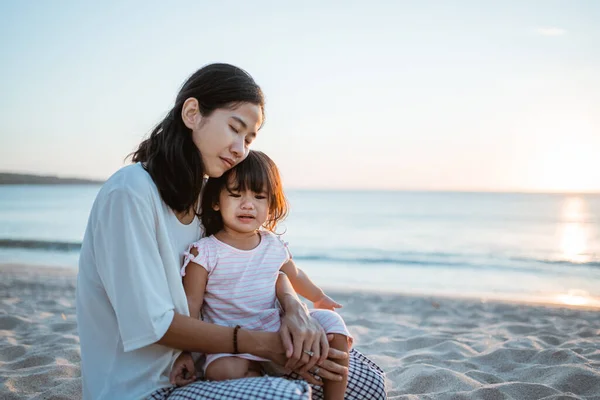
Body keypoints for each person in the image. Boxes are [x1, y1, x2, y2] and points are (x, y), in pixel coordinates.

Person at [75, 63, 387, 400]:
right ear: (193, 113)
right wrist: (265, 345)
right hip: (145, 388)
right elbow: (152, 325)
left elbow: (253, 262)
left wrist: (294, 310)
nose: (241, 149)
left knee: (364, 382)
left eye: (249, 139)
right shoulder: (130, 193)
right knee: (286, 395)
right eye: (234, 129)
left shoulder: (205, 199)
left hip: (206, 368)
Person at [171, 150, 352, 400]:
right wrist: (185, 352)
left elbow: (295, 275)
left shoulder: (273, 245)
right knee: (222, 370)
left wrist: (318, 297)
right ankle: (259, 381)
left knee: (335, 327)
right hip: (230, 341)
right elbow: (191, 304)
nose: (248, 204)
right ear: (215, 201)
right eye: (236, 195)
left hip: (277, 328)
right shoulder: (205, 252)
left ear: (271, 205)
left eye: (259, 196)